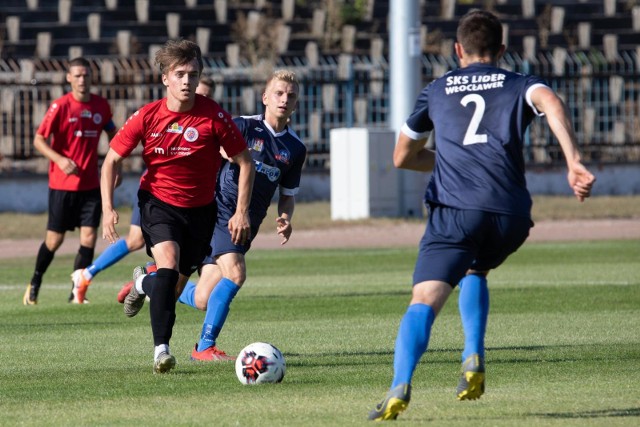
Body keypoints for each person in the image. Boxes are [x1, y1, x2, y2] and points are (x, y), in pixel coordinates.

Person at [368, 10, 596, 421]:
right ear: (502, 51)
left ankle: (399, 383)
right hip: (510, 214)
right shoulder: (520, 83)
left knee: (424, 298)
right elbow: (551, 101)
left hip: (456, 211)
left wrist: (453, 160)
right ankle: (473, 354)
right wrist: (573, 161)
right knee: (476, 270)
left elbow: (403, 156)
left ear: (458, 50)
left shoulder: (437, 89)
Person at [100, 39, 255, 374]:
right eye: (180, 74)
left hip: (201, 211)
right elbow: (111, 160)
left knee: (173, 289)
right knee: (167, 265)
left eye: (193, 74)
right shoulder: (147, 116)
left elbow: (245, 162)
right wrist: (107, 208)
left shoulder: (214, 115)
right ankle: (161, 352)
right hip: (157, 204)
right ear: (166, 79)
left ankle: (142, 283)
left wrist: (241, 211)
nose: (187, 80)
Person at [176, 69, 306, 361]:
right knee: (236, 273)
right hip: (223, 211)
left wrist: (285, 218)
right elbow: (206, 152)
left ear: (297, 104)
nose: (285, 99)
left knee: (201, 298)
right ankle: (204, 347)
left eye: (291, 95)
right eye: (279, 93)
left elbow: (287, 194)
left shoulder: (296, 149)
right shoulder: (243, 127)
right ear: (265, 98)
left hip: (248, 223)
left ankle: (150, 277)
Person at [73, 77, 217, 303]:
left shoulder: (211, 120)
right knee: (136, 240)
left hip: (191, 201)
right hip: (157, 192)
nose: (202, 98)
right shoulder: (164, 116)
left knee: (170, 274)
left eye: (207, 95)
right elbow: (118, 153)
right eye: (201, 93)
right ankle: (88, 274)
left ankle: (146, 279)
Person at [24, 57, 117, 306]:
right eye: (77, 75)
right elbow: (39, 139)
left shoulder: (100, 106)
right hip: (62, 186)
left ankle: (77, 291)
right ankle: (34, 282)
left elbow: (114, 134)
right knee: (55, 240)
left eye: (86, 75)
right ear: (69, 78)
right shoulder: (60, 106)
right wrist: (59, 159)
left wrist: (114, 165)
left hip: (91, 186)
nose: (82, 79)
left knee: (88, 239)